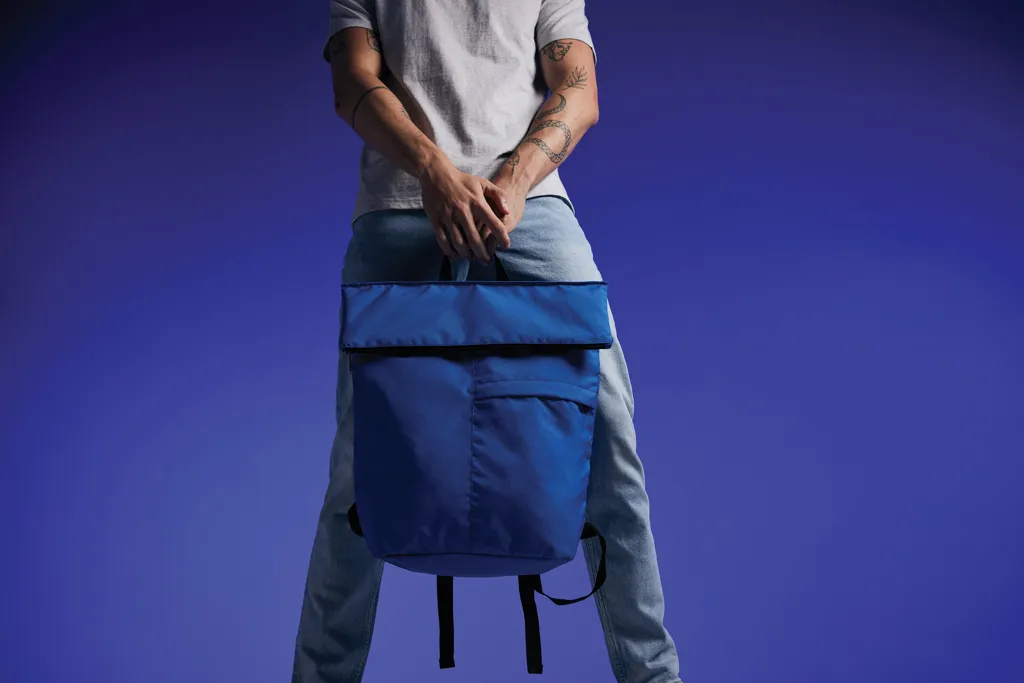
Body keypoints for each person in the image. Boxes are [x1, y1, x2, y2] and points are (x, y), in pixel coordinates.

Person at [292, 2, 682, 682]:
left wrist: (512, 182)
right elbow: (352, 81)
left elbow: (578, 88)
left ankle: (654, 676)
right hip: (402, 204)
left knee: (611, 448)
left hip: (529, 206)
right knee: (358, 472)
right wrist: (435, 173)